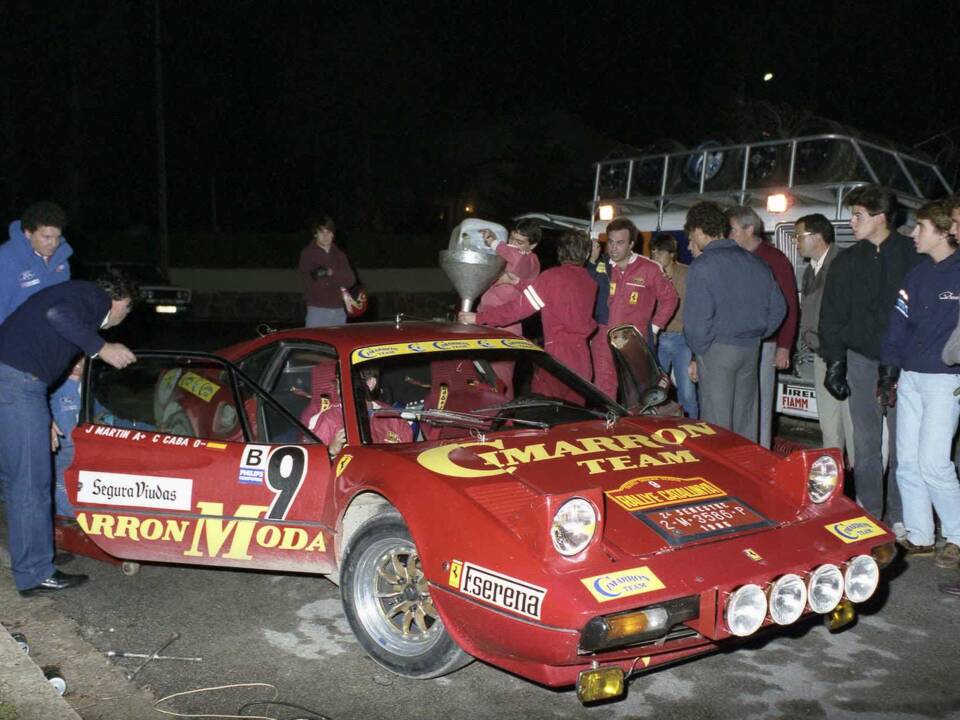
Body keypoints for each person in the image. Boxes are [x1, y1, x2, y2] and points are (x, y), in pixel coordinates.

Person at [0, 271, 137, 596]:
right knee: (32, 482)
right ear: (121, 301)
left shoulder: (73, 294)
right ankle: (35, 573)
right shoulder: (92, 298)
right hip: (18, 384)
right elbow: (55, 315)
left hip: (17, 384)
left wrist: (42, 415)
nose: (123, 317)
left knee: (18, 477)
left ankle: (34, 557)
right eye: (127, 309)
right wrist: (101, 348)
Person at [819, 185, 919, 526]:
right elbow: (830, 316)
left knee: (906, 446)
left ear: (879, 218)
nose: (851, 222)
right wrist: (835, 362)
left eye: (858, 215)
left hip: (905, 365)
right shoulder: (846, 261)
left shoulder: (913, 254)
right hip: (861, 362)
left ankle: (903, 517)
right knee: (865, 444)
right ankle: (869, 513)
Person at [880, 201, 960, 567]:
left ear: (944, 232)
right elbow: (898, 326)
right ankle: (920, 534)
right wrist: (889, 371)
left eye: (921, 227)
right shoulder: (916, 274)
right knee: (908, 462)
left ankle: (957, 536)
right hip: (911, 377)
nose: (914, 233)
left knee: (934, 463)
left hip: (946, 381)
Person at [683, 201, 786, 441]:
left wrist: (700, 350)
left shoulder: (702, 266)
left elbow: (696, 322)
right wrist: (758, 333)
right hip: (750, 349)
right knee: (746, 424)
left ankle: (721, 477)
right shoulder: (757, 262)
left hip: (716, 350)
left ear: (698, 230)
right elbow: (779, 308)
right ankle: (747, 474)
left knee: (717, 427)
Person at [459, 230, 598, 402]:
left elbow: (518, 309)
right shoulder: (590, 282)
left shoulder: (551, 278)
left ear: (560, 252)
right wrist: (517, 282)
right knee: (574, 420)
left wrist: (477, 318)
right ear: (586, 253)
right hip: (583, 360)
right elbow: (552, 298)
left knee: (542, 413)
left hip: (557, 362)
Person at [727, 206, 799, 449]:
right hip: (736, 344)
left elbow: (789, 305)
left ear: (749, 229)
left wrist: (784, 347)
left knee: (760, 403)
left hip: (765, 345)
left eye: (733, 230)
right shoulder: (733, 257)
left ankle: (761, 453)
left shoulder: (775, 259)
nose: (729, 235)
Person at [793, 214, 855, 468]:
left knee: (852, 424)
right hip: (822, 354)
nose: (796, 242)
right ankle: (834, 479)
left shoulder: (843, 263)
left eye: (799, 236)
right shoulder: (811, 269)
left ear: (817, 236)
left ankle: (863, 492)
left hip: (845, 356)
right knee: (828, 424)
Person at [592, 218, 678, 399]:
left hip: (634, 341)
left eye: (620, 243)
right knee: (603, 391)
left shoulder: (650, 268)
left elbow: (670, 299)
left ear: (631, 244)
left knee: (637, 394)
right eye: (611, 242)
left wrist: (654, 328)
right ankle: (607, 426)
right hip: (603, 339)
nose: (613, 248)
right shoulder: (602, 267)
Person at [305, 369, 412, 455]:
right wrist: (331, 451)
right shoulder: (327, 419)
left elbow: (408, 459)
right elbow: (312, 464)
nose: (339, 389)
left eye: (346, 381)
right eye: (338, 382)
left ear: (370, 383)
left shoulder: (391, 416)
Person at [0, 201, 72, 324]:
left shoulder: (62, 260)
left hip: (49, 336)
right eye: (47, 237)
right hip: (15, 337)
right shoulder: (6, 258)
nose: (54, 244)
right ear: (28, 233)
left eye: (58, 237)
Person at [650, 233, 698, 417]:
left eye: (660, 252)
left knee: (686, 393)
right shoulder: (650, 274)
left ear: (672, 253)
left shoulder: (687, 273)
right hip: (658, 339)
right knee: (655, 392)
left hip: (682, 340)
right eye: (653, 252)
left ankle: (693, 431)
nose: (655, 256)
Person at [476, 220, 541, 338]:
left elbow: (515, 257)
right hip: (485, 317)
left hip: (505, 325)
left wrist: (493, 242)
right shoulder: (508, 253)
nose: (513, 244)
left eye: (519, 242)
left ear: (532, 245)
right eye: (511, 238)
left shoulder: (530, 260)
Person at [298, 216, 357, 327]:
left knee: (339, 343)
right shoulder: (308, 254)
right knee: (315, 343)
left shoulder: (340, 255)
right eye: (321, 232)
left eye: (328, 232)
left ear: (333, 234)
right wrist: (337, 279)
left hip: (339, 311)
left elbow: (350, 280)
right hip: (317, 310)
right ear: (315, 234)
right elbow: (311, 280)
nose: (325, 236)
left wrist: (330, 273)